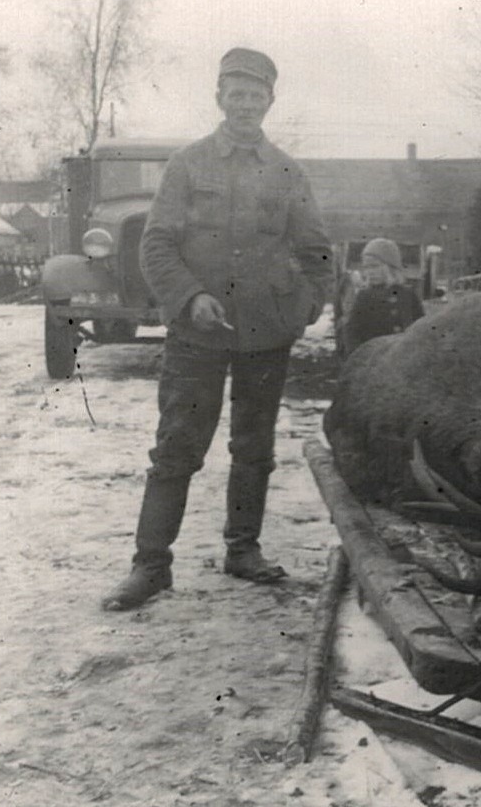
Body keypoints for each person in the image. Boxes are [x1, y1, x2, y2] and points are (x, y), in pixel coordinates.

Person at [102, 47, 334, 611]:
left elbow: (317, 253)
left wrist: (301, 309)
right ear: (220, 98)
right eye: (237, 94)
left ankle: (243, 551)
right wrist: (190, 297)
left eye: (257, 96)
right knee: (178, 447)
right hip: (197, 334)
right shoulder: (187, 165)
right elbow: (155, 245)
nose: (246, 104)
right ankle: (151, 565)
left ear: (269, 102)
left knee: (254, 447)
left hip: (265, 334)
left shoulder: (287, 171)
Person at [340, 237, 424, 357]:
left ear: (391, 267)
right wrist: (358, 357)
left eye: (375, 266)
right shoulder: (364, 296)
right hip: (374, 360)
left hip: (404, 358)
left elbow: (420, 325)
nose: (370, 272)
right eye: (366, 267)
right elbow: (352, 331)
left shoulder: (408, 294)